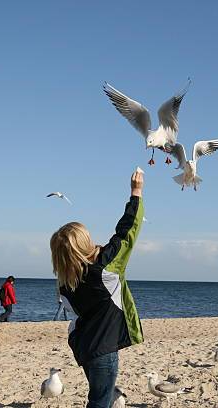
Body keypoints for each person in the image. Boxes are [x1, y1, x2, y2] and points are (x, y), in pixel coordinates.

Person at [49, 170, 144, 408]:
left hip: (84, 345)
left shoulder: (65, 281)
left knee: (105, 393)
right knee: (99, 401)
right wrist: (136, 192)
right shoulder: (105, 269)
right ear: (84, 243)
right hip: (102, 349)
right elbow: (127, 232)